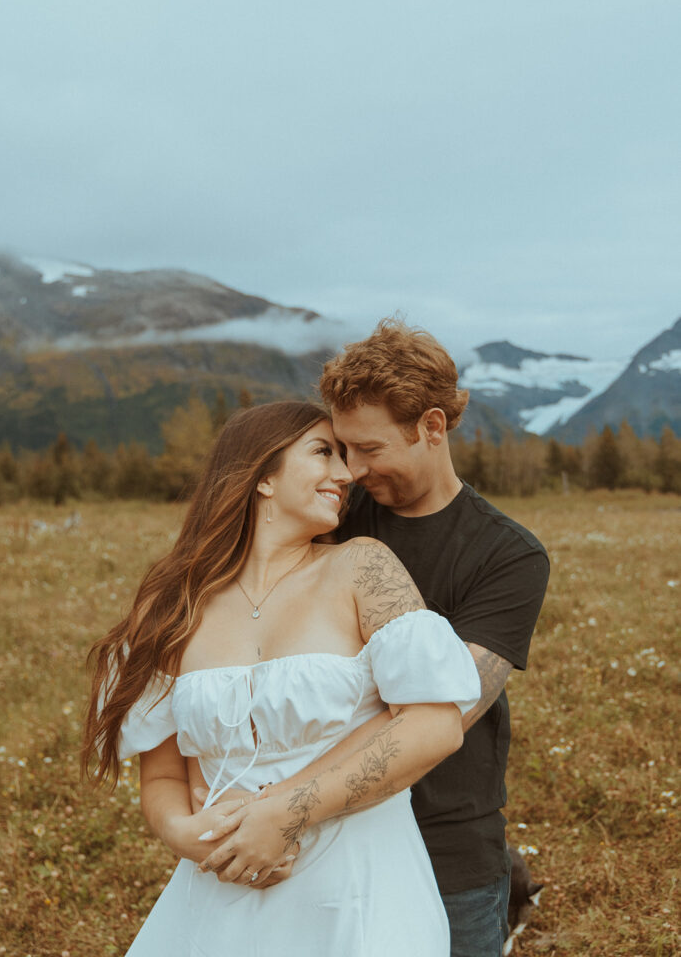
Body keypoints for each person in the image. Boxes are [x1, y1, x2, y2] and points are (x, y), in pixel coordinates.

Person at [198, 321, 549, 957]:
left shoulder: (508, 555)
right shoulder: (332, 517)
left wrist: (284, 807)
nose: (351, 470)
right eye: (338, 450)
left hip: (447, 845)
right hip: (312, 848)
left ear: (432, 428)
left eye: (370, 449)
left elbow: (445, 710)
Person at [82, 400, 481, 957]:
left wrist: (284, 813)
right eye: (324, 453)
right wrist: (187, 837)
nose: (346, 475)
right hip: (223, 882)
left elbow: (435, 725)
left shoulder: (362, 567)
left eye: (345, 457)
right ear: (262, 477)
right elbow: (164, 776)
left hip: (359, 885)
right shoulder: (172, 604)